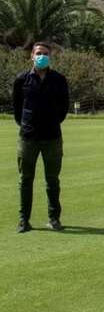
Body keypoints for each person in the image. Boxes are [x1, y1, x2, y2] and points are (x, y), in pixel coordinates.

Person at [13, 42, 70, 233]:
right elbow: (17, 109)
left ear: (50, 56)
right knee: (25, 179)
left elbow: (64, 107)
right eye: (39, 53)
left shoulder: (59, 80)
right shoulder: (21, 79)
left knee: (52, 180)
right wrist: (27, 125)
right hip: (28, 138)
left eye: (45, 53)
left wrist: (52, 122)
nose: (42, 56)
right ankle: (23, 220)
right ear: (32, 55)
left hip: (52, 137)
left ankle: (54, 219)